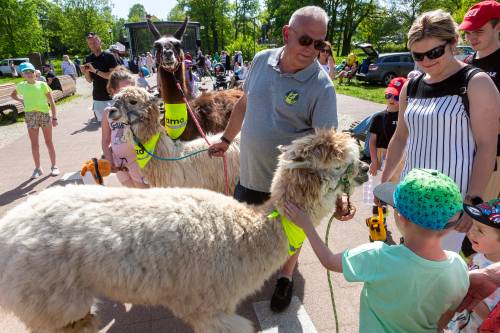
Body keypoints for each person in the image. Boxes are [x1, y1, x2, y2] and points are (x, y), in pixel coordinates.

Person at [208, 6, 341, 313]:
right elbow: (245, 102)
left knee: (290, 232)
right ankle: (245, 269)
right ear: (286, 33)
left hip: (292, 184)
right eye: (306, 40)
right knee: (244, 223)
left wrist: (337, 190)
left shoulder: (321, 87)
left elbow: (328, 146)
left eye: (320, 44)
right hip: (252, 171)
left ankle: (285, 275)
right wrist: (226, 139)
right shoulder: (260, 60)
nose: (312, 50)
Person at [285, 168, 469, 332]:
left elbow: (329, 260)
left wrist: (306, 225)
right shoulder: (459, 268)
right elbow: (444, 319)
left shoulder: (379, 256)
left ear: (401, 217)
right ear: (451, 226)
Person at [380, 10, 499, 253]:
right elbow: (400, 137)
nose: (426, 61)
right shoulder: (411, 86)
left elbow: (487, 145)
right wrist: (383, 184)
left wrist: (472, 201)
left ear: (453, 43)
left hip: (451, 203)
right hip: (410, 196)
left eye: (434, 52)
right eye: (418, 55)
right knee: (410, 266)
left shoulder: (476, 83)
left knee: (438, 274)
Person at [459, 0, 500, 201]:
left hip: (493, 159)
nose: (471, 37)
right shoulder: (464, 64)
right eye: (468, 31)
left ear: (498, 27)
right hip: (459, 154)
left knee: (480, 224)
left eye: (479, 31)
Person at [448, 198, 500, 332]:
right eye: (473, 225)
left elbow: (490, 317)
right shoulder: (479, 255)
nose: (471, 232)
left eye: (480, 230)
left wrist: (464, 287)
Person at [10, 62, 60, 179]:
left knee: (49, 142)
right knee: (34, 144)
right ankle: (38, 168)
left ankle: (54, 166)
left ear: (35, 73)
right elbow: (13, 95)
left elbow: (52, 102)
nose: (29, 74)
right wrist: (21, 100)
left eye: (30, 72)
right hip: (30, 116)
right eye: (26, 72)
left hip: (44, 114)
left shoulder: (42, 85)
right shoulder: (21, 85)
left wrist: (54, 117)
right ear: (23, 74)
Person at [102, 66, 148, 188]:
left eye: (132, 89)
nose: (128, 94)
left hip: (137, 162)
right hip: (119, 164)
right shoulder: (108, 113)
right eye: (123, 90)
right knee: (131, 195)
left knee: (145, 196)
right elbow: (106, 140)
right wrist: (109, 159)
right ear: (112, 90)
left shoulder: (138, 110)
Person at [368, 77, 407, 178]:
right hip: (381, 154)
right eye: (389, 95)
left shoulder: (406, 117)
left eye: (397, 97)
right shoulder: (378, 117)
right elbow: (372, 141)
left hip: (400, 156)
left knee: (395, 188)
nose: (391, 99)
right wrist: (374, 160)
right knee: (380, 187)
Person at [81, 32, 118, 124]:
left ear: (100, 42)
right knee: (103, 126)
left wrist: (95, 71)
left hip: (111, 97)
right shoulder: (88, 58)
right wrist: (85, 72)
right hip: (98, 97)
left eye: (94, 42)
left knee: (116, 124)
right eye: (90, 44)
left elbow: (112, 76)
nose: (92, 45)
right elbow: (89, 80)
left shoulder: (110, 56)